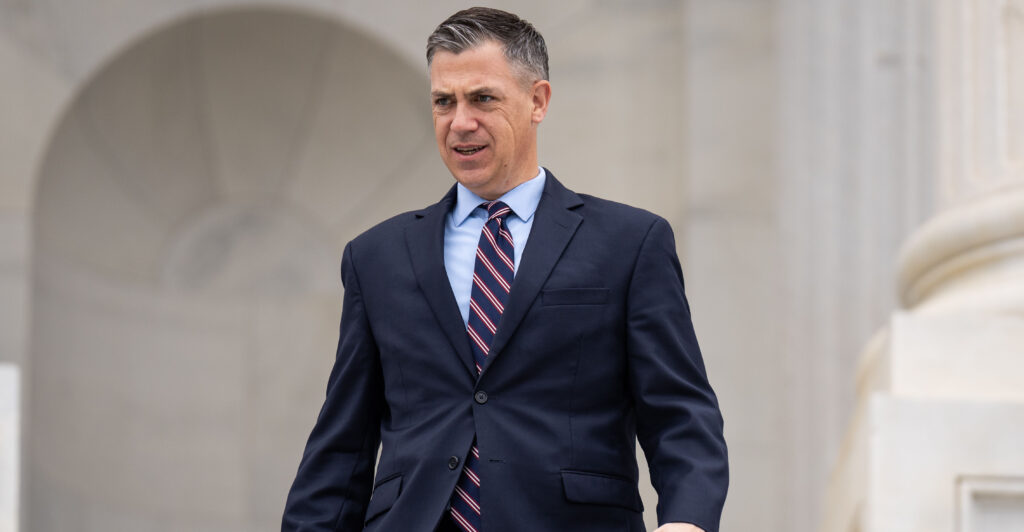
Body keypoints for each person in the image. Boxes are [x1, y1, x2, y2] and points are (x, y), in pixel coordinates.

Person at [282, 7, 728, 532]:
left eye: (483, 99)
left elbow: (680, 411)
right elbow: (343, 442)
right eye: (443, 102)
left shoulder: (630, 243)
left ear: (538, 101)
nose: (460, 122)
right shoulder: (375, 256)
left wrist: (688, 523)